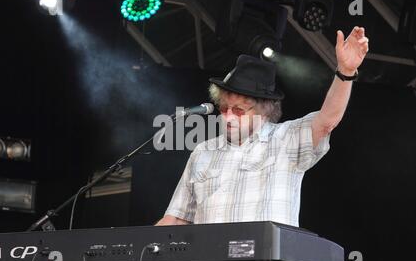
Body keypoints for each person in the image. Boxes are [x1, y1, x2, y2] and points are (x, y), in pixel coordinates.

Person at [156, 27, 370, 227]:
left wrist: (345, 72)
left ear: (264, 112)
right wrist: (131, 250)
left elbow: (327, 121)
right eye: (224, 108)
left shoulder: (287, 138)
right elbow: (176, 219)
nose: (228, 117)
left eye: (239, 110)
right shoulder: (203, 152)